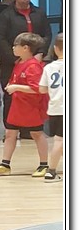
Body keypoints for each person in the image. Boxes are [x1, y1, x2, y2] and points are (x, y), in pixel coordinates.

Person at [0, 32, 51, 176]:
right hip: (17, 105)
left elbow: (37, 89)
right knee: (10, 133)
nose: (13, 48)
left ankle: (44, 165)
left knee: (37, 134)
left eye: (16, 45)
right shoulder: (19, 63)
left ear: (26, 48)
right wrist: (12, 85)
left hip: (31, 106)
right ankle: (5, 164)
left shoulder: (33, 66)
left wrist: (16, 87)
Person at [0, 0, 53, 89]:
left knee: (37, 90)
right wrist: (15, 58)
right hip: (12, 63)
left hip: (37, 60)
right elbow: (0, 38)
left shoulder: (39, 13)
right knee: (11, 93)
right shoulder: (6, 15)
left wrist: (40, 53)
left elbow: (47, 34)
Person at [40, 33, 64, 181]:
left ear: (55, 48)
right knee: (60, 141)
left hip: (55, 108)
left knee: (59, 141)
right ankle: (52, 171)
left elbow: (42, 89)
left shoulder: (49, 67)